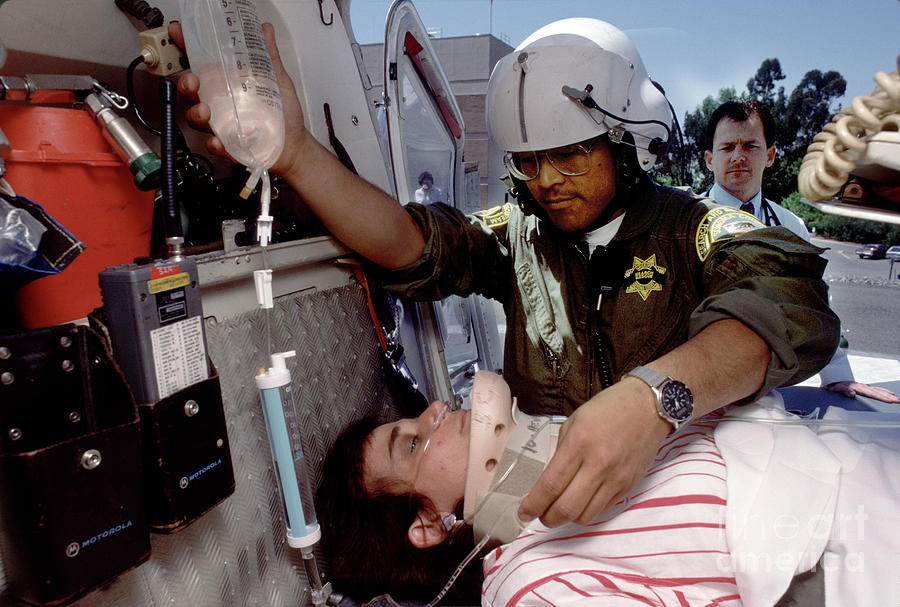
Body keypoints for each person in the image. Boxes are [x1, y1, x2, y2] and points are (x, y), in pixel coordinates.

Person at [171, 17, 840, 531]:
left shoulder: (700, 231)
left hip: (684, 505)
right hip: (545, 515)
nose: (547, 181)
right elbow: (412, 245)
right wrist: (294, 154)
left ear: (626, 140)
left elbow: (786, 301)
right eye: (528, 160)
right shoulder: (520, 237)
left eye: (571, 155)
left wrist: (656, 402)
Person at [316, 374, 900, 605]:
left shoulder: (554, 476)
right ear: (426, 524)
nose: (437, 410)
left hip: (853, 476)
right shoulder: (526, 586)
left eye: (415, 419)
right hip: (849, 552)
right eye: (414, 444)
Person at [703, 100, 898, 403]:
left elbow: (816, 306)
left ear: (769, 156)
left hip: (771, 385)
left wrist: (838, 375)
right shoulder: (683, 219)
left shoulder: (790, 224)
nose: (738, 157)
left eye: (750, 146)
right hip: (699, 380)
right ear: (708, 159)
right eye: (727, 148)